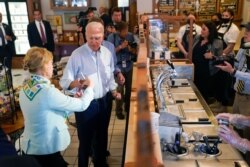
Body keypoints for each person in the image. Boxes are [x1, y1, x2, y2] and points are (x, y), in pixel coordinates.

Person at [19, 47, 95, 167]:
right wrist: (90, 88)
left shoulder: (26, 86)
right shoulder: (47, 91)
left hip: (32, 147)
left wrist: (73, 99)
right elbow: (82, 105)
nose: (52, 66)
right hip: (45, 150)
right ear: (42, 67)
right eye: (50, 63)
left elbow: (48, 110)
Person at [60, 22, 121, 167]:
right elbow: (64, 81)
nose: (94, 42)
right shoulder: (77, 55)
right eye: (91, 38)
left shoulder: (107, 53)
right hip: (86, 104)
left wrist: (114, 90)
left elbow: (110, 75)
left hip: (105, 101)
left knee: (102, 136)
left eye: (97, 38)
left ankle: (100, 162)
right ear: (85, 36)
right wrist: (79, 83)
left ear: (103, 36)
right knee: (85, 140)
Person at [216, 22, 250, 164]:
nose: (245, 33)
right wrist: (238, 118)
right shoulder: (244, 48)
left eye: (249, 31)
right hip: (240, 93)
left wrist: (241, 142)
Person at [211, 9, 240, 113]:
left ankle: (223, 107)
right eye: (223, 15)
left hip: (226, 59)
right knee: (217, 82)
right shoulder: (219, 26)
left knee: (224, 84)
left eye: (226, 15)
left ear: (231, 17)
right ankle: (218, 102)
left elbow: (230, 47)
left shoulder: (234, 29)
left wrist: (220, 56)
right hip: (217, 57)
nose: (224, 17)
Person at [107, 21, 137, 119]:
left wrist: (130, 49)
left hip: (129, 65)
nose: (126, 33)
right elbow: (109, 53)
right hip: (118, 67)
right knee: (119, 89)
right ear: (118, 31)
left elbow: (135, 51)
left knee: (129, 89)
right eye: (124, 31)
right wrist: (120, 47)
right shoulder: (112, 38)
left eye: (127, 30)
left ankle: (128, 108)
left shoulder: (130, 36)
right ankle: (119, 111)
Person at [192, 21, 223, 103]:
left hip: (206, 72)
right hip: (194, 70)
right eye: (201, 29)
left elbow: (221, 59)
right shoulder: (198, 38)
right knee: (194, 93)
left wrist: (212, 57)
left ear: (210, 31)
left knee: (203, 95)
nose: (201, 31)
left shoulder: (217, 42)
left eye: (204, 29)